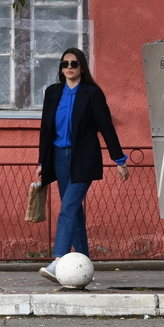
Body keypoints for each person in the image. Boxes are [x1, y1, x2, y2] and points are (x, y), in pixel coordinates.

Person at [35, 48, 129, 282]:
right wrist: (41, 162)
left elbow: (106, 127)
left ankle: (58, 261)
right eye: (65, 63)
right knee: (74, 210)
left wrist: (119, 160)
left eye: (74, 63)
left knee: (67, 207)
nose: (69, 67)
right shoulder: (53, 92)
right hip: (58, 157)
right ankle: (84, 260)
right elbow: (46, 130)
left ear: (82, 67)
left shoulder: (92, 93)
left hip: (83, 158)